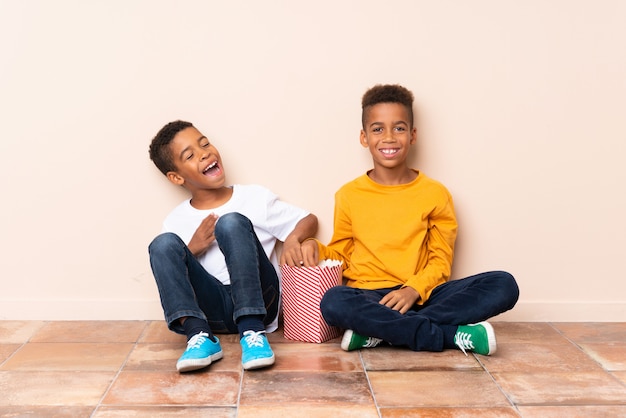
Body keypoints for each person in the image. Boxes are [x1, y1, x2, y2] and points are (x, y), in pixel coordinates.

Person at [301, 84, 519, 356]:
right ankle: (448, 336)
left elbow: (440, 260)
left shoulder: (435, 193)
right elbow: (341, 254)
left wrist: (413, 289)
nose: (389, 137)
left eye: (399, 128)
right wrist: (312, 246)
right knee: (334, 302)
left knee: (503, 284)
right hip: (370, 296)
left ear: (413, 135)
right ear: (364, 137)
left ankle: (379, 331)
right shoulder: (348, 195)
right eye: (378, 129)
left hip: (424, 295)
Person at [148, 120, 318, 372]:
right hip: (211, 310)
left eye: (204, 143)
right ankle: (199, 336)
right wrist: (193, 247)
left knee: (231, 222)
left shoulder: (253, 198)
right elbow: (173, 269)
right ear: (176, 176)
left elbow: (308, 219)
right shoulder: (176, 220)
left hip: (261, 302)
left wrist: (293, 238)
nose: (204, 152)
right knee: (161, 244)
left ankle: (252, 330)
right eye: (190, 155)